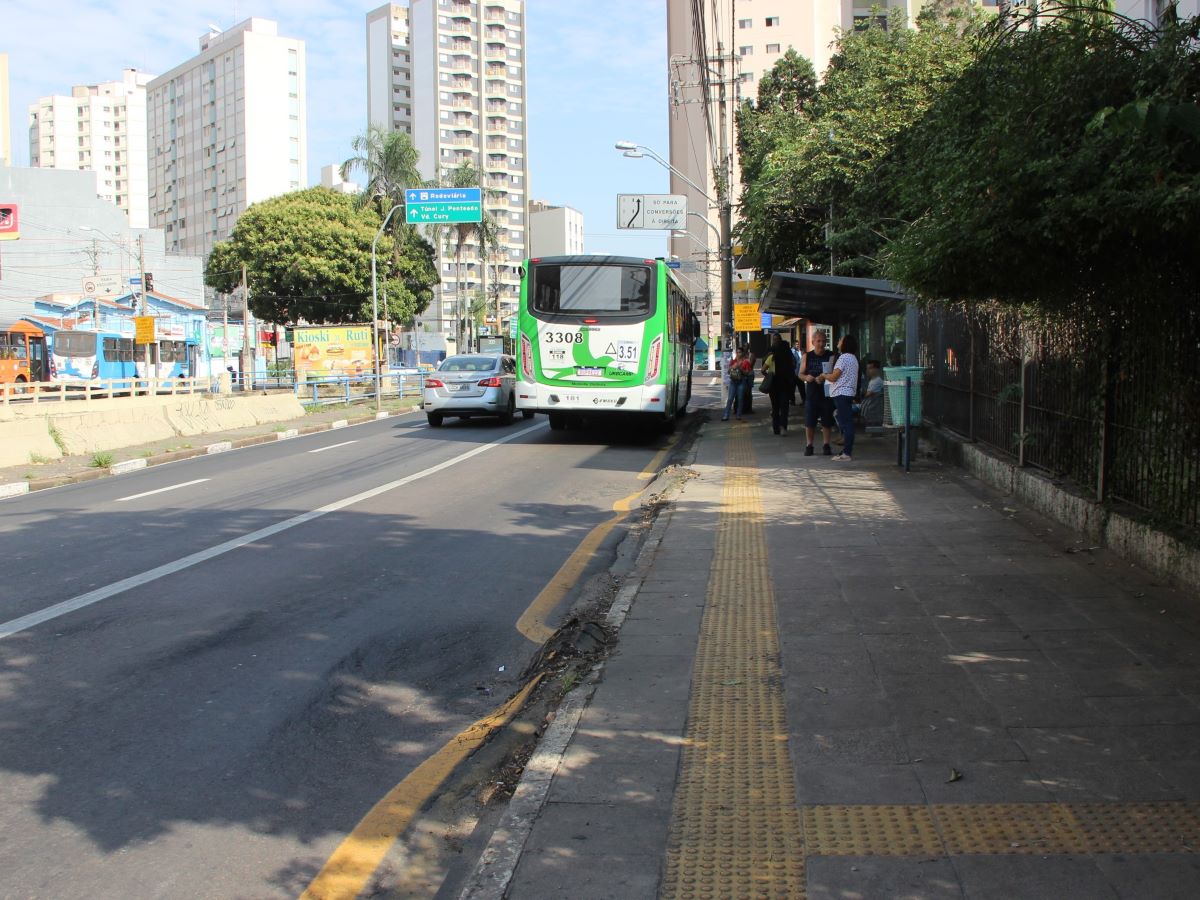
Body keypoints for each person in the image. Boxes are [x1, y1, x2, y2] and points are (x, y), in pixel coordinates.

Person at [819, 334, 860, 461]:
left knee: (847, 424)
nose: (838, 342)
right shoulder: (853, 358)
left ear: (845, 343)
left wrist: (824, 375)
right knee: (846, 422)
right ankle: (845, 451)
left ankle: (847, 453)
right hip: (848, 393)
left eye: (840, 340)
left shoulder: (843, 358)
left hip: (841, 394)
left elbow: (834, 377)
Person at [799, 330, 834, 456]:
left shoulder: (831, 355)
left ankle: (826, 444)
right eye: (818, 341)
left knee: (827, 421)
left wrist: (825, 377)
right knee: (810, 421)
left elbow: (835, 374)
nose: (821, 344)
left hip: (826, 393)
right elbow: (800, 374)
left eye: (824, 341)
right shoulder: (807, 356)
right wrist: (806, 377)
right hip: (812, 393)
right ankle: (809, 445)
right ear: (813, 342)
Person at [762, 338, 798, 435]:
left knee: (775, 407)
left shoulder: (772, 358)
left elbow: (763, 370)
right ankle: (783, 427)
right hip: (785, 386)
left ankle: (775, 428)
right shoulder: (789, 359)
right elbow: (793, 370)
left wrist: (769, 375)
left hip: (773, 386)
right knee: (784, 408)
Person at [722, 347, 752, 421]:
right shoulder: (733, 361)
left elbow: (748, 373)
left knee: (740, 399)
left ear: (742, 353)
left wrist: (740, 368)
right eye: (737, 352)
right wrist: (733, 367)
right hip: (733, 382)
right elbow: (728, 371)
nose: (738, 354)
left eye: (740, 352)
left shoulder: (746, 362)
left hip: (741, 381)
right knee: (730, 399)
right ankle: (726, 415)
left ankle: (738, 415)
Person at [858, 359, 884, 426]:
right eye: (867, 368)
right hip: (868, 403)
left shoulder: (877, 381)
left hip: (871, 405)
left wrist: (859, 397)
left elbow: (868, 394)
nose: (868, 371)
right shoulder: (873, 380)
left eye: (870, 368)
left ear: (876, 369)